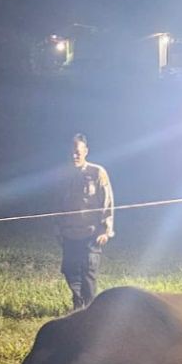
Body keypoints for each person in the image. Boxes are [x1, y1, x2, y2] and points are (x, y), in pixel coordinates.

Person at [55, 133, 114, 310]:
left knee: (88, 273)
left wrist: (105, 229)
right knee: (69, 269)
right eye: (70, 153)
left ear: (85, 151)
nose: (74, 156)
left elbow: (107, 201)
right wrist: (57, 228)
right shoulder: (63, 176)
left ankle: (89, 310)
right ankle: (78, 303)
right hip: (69, 232)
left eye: (77, 152)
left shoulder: (97, 172)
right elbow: (59, 204)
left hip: (91, 232)